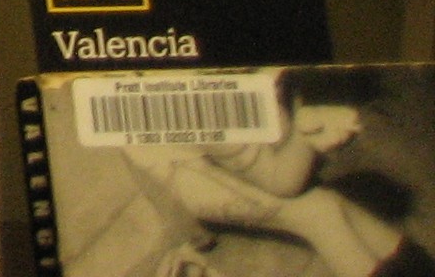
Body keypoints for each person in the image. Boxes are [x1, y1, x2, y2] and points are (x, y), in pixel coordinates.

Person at [128, 68, 434, 277]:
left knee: (330, 205)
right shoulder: (201, 98)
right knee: (316, 213)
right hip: (189, 170)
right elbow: (282, 181)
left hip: (223, 131)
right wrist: (306, 127)